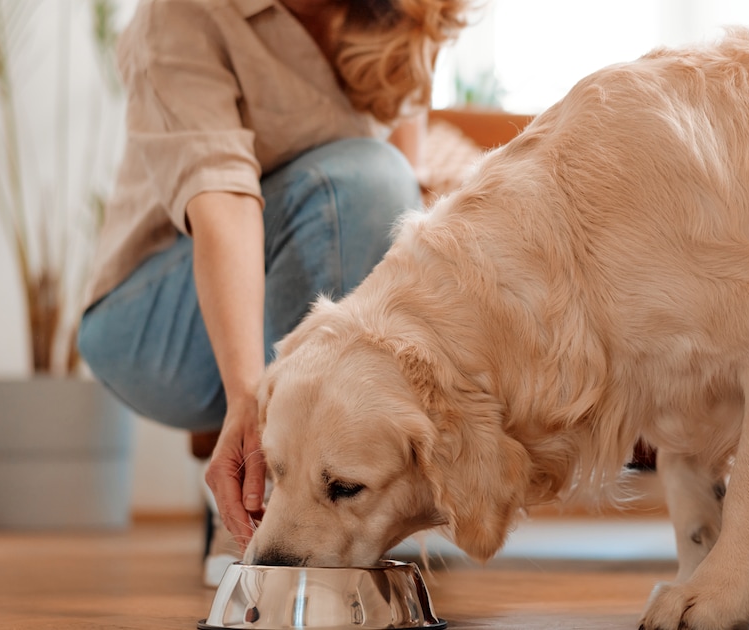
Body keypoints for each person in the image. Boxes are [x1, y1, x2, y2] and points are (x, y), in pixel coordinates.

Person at [77, 0, 469, 583]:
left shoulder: (406, 10)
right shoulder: (181, 13)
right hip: (155, 323)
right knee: (364, 180)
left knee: (383, 181)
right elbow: (224, 203)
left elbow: (399, 197)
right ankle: (257, 510)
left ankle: (322, 514)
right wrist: (249, 396)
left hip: (299, 270)